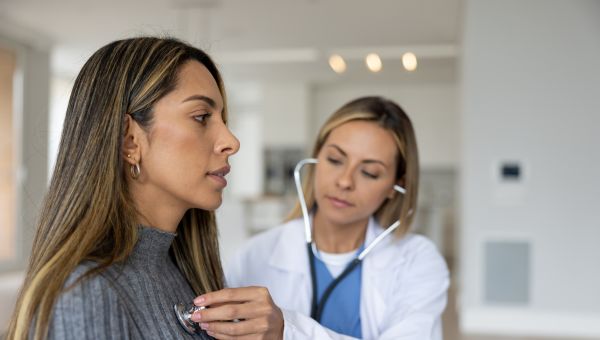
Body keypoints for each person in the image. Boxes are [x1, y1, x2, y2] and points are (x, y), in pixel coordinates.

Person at [7, 37, 241, 340]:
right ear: (130, 140)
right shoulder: (84, 294)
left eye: (222, 119)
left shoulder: (186, 272)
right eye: (201, 117)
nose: (231, 142)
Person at [193, 96, 449, 339]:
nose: (345, 181)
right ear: (316, 158)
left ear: (396, 185)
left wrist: (288, 331)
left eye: (370, 172)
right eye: (335, 160)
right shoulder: (255, 255)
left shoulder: (416, 261)